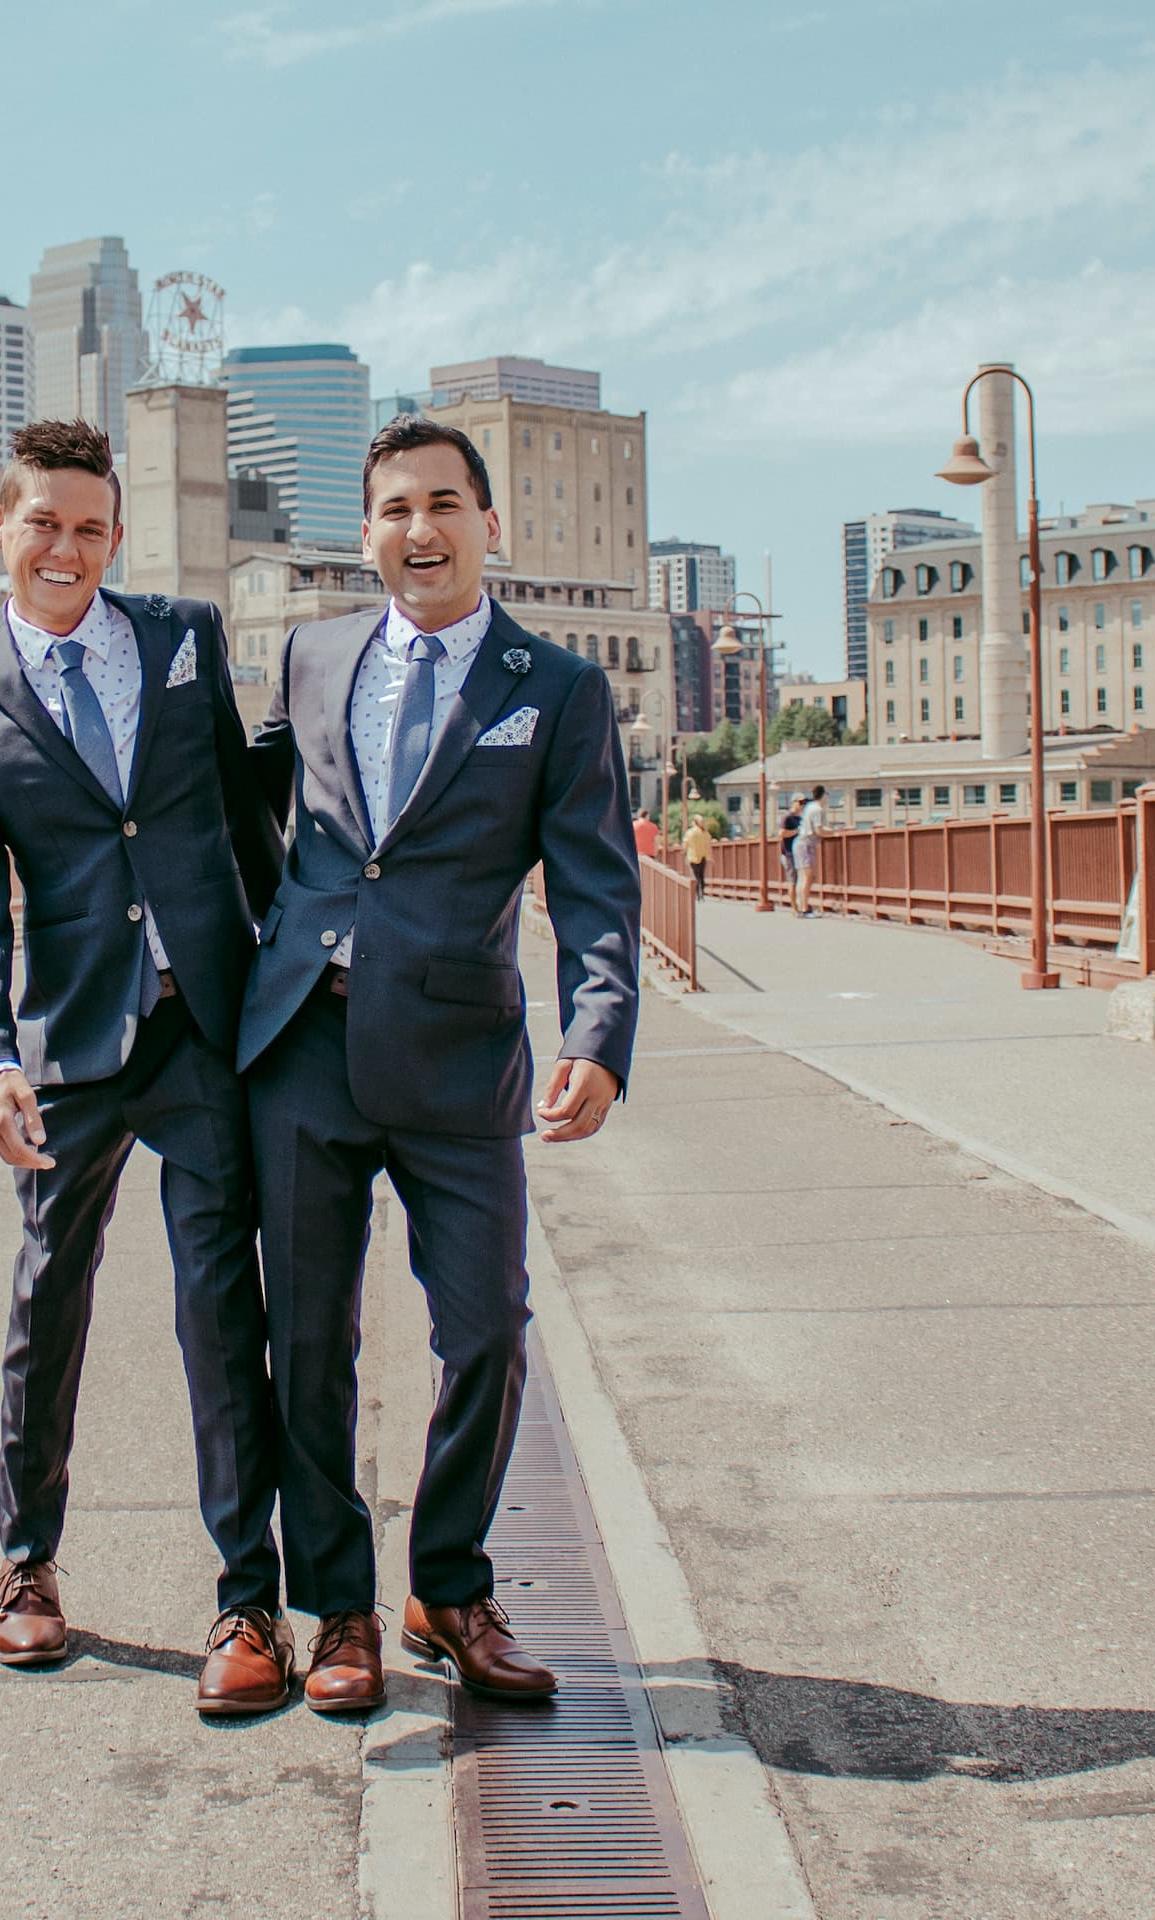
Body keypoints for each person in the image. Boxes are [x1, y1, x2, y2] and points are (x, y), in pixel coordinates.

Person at [241, 416, 641, 1713]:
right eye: (395, 508)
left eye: (444, 505)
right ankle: (339, 1609)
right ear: (366, 533)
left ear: (488, 524)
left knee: (486, 1332)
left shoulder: (558, 687)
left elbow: (595, 881)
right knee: (308, 1342)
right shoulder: (310, 657)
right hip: (302, 1041)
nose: (419, 529)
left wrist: (597, 1031)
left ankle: (448, 1581)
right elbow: (236, 806)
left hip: (461, 1055)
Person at [0, 420, 291, 1717]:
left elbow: (247, 812)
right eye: (44, 526)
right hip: (70, 1045)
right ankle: (27, 1568)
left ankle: (250, 1601)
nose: (66, 548)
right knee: (48, 1300)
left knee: (217, 1310)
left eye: (89, 528)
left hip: (203, 1026)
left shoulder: (186, 638)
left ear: (115, 536)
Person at [793, 782, 827, 916]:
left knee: (802, 877)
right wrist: (834, 833)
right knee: (807, 877)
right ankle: (805, 908)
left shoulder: (810, 807)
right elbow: (819, 830)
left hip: (799, 843)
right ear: (823, 795)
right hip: (806, 844)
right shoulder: (817, 809)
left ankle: (801, 907)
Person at [778, 800, 804, 899]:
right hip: (788, 853)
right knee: (793, 881)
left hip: (799, 853)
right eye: (800, 802)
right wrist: (796, 831)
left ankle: (801, 904)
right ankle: (794, 908)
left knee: (801, 880)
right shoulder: (787, 817)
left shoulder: (800, 819)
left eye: (804, 803)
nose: (802, 805)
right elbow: (781, 833)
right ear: (794, 802)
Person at [681, 813, 711, 898]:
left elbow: (685, 845)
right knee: (701, 875)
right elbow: (708, 845)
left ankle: (697, 894)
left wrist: (683, 853)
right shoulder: (705, 832)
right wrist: (710, 857)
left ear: (694, 822)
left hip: (692, 857)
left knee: (695, 875)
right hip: (703, 856)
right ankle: (702, 893)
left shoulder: (690, 832)